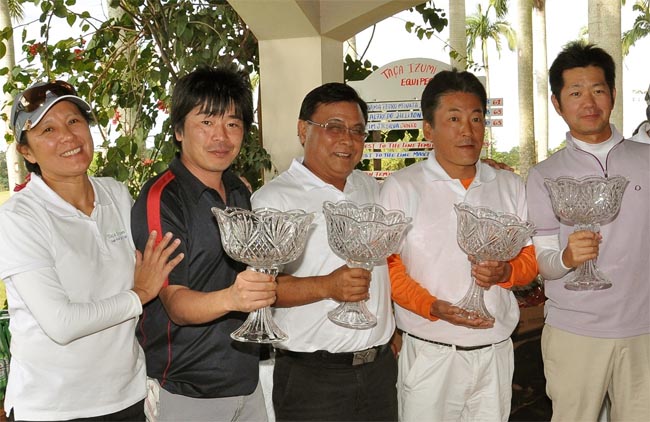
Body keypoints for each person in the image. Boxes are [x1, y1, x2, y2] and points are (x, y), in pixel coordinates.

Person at [0, 80, 183, 421]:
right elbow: (62, 322)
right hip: (53, 408)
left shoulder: (115, 194)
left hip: (128, 398)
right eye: (48, 129)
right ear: (27, 152)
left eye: (74, 121)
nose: (68, 137)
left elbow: (157, 260)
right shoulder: (18, 218)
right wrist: (138, 294)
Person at [378, 69, 538, 422]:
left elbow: (530, 255)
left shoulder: (509, 184)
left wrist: (507, 272)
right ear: (428, 129)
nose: (467, 130)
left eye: (476, 118)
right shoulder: (402, 187)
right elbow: (388, 266)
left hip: (495, 351)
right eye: (454, 118)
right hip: (431, 353)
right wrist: (433, 306)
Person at [130, 66, 276, 421]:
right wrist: (234, 298)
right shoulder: (163, 198)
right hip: (186, 388)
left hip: (246, 379)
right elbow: (175, 303)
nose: (221, 137)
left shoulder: (239, 189)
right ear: (179, 130)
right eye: (206, 122)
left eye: (233, 123)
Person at [250, 82, 398, 421]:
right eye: (334, 127)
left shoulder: (370, 188)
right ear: (304, 130)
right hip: (313, 379)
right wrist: (327, 286)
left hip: (378, 370)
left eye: (358, 131)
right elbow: (261, 290)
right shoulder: (274, 200)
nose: (348, 139)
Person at [526, 42, 650, 421]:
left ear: (612, 94)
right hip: (574, 332)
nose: (589, 102)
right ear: (557, 103)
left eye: (597, 90)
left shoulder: (647, 160)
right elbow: (543, 262)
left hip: (644, 330)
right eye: (575, 93)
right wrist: (565, 257)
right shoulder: (543, 175)